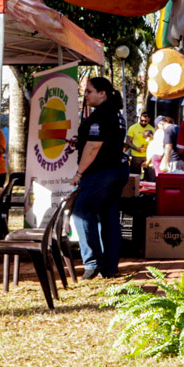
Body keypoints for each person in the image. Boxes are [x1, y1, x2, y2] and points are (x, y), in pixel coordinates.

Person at [70, 77, 130, 279]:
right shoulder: (114, 114)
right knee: (108, 216)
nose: (85, 95)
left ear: (102, 93)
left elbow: (94, 147)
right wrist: (80, 141)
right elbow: (101, 142)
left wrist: (79, 173)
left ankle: (92, 262)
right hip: (116, 170)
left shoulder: (102, 115)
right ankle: (110, 267)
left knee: (81, 211)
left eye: (89, 91)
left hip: (102, 172)